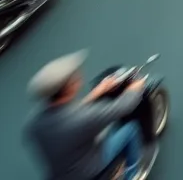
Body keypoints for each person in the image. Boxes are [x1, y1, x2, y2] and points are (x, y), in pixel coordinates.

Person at [26, 50, 149, 180]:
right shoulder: (85, 117)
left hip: (60, 173)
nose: (79, 76)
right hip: (89, 171)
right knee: (130, 129)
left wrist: (97, 92)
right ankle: (133, 173)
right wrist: (135, 88)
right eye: (75, 77)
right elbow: (124, 106)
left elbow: (68, 112)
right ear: (69, 87)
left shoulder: (34, 122)